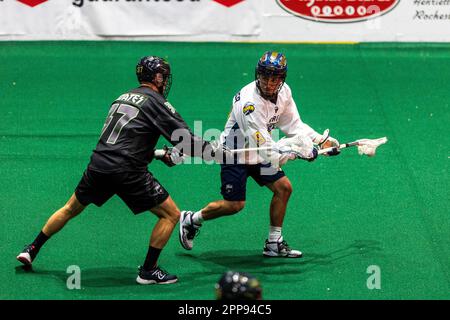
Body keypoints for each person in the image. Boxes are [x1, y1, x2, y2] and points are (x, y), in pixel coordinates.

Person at [16, 56, 226, 285]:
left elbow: (124, 141)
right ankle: (148, 271)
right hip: (128, 170)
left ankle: (32, 248)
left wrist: (157, 154)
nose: (165, 82)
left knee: (69, 208)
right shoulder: (157, 102)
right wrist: (215, 152)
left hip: (99, 164)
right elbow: (187, 142)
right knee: (171, 215)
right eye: (164, 77)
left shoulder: (122, 98)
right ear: (157, 78)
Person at [179, 51, 340, 258]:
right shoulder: (249, 105)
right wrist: (299, 152)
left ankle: (274, 243)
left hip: (261, 150)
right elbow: (267, 149)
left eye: (275, 78)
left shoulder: (284, 93)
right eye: (265, 76)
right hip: (235, 152)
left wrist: (319, 140)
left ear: (282, 78)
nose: (269, 82)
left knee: (283, 188)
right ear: (258, 75)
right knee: (234, 205)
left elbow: (294, 125)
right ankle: (191, 219)